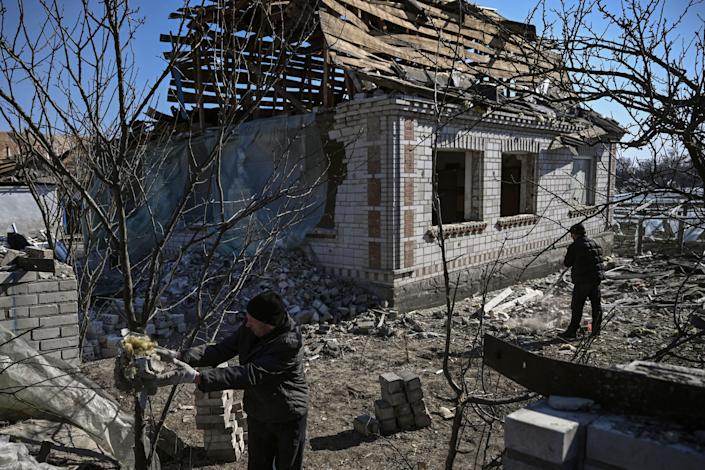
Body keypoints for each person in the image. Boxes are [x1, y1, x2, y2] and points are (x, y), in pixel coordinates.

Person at [155, 291, 308, 470]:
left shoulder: (289, 343)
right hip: (259, 411)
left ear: (268, 324)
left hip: (286, 413)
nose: (247, 323)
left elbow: (250, 374)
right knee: (258, 465)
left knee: (287, 466)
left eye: (252, 320)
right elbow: (221, 350)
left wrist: (198, 377)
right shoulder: (251, 328)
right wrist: (180, 356)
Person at [560, 223, 605, 339]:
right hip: (596, 280)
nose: (571, 236)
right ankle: (596, 331)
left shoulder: (575, 246)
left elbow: (567, 263)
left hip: (583, 281)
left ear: (575, 234)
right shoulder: (595, 242)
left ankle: (572, 331)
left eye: (572, 234)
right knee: (596, 306)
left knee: (577, 307)